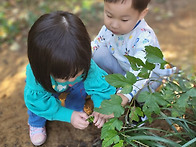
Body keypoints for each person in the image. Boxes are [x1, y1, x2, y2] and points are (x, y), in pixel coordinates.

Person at [24, 11, 116, 146]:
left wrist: (100, 108)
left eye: (77, 73)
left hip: (73, 87)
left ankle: (75, 108)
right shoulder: (37, 76)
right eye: (65, 76)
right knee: (37, 106)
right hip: (45, 85)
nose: (72, 78)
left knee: (77, 96)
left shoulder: (82, 62)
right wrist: (68, 116)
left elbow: (100, 86)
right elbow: (38, 101)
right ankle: (36, 123)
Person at [92, 0, 177, 106]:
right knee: (99, 54)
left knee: (142, 94)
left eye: (124, 19)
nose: (114, 25)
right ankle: (113, 88)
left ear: (142, 14)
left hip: (147, 78)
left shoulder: (144, 37)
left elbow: (142, 70)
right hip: (125, 69)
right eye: (109, 16)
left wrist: (125, 94)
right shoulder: (108, 30)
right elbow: (96, 44)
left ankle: (141, 108)